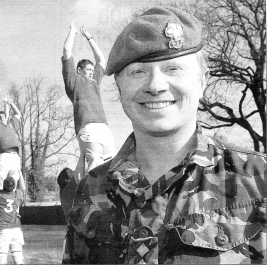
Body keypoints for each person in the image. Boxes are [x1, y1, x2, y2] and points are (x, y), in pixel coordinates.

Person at [63, 7, 267, 264]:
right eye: (138, 72)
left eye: (173, 69)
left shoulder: (259, 179)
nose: (156, 85)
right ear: (119, 87)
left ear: (203, 80)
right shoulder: (91, 189)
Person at [62, 21, 115, 184]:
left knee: (111, 165)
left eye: (93, 70)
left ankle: (107, 201)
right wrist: (72, 32)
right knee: (95, 163)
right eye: (88, 70)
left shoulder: (95, 81)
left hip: (103, 126)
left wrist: (90, 38)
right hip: (87, 126)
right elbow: (66, 51)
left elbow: (102, 62)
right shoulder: (74, 80)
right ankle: (92, 201)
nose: (92, 72)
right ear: (79, 70)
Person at [0, 170, 26, 265]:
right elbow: (23, 188)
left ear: (3, 185)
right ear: (14, 186)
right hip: (16, 230)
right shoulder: (17, 194)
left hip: (3, 231)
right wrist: (20, 174)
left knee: (2, 261)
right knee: (18, 260)